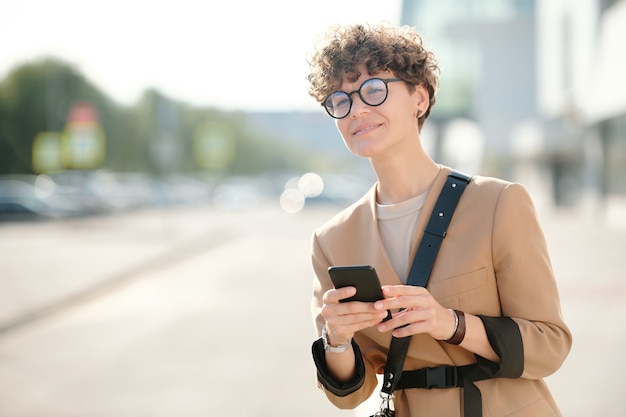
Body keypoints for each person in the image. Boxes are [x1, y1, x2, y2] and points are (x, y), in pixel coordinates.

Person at [307, 23, 572, 417]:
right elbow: (349, 395)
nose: (357, 109)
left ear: (420, 97)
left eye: (374, 90)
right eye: (340, 99)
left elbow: (549, 346)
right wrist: (338, 340)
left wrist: (450, 323)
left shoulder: (498, 203)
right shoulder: (333, 239)